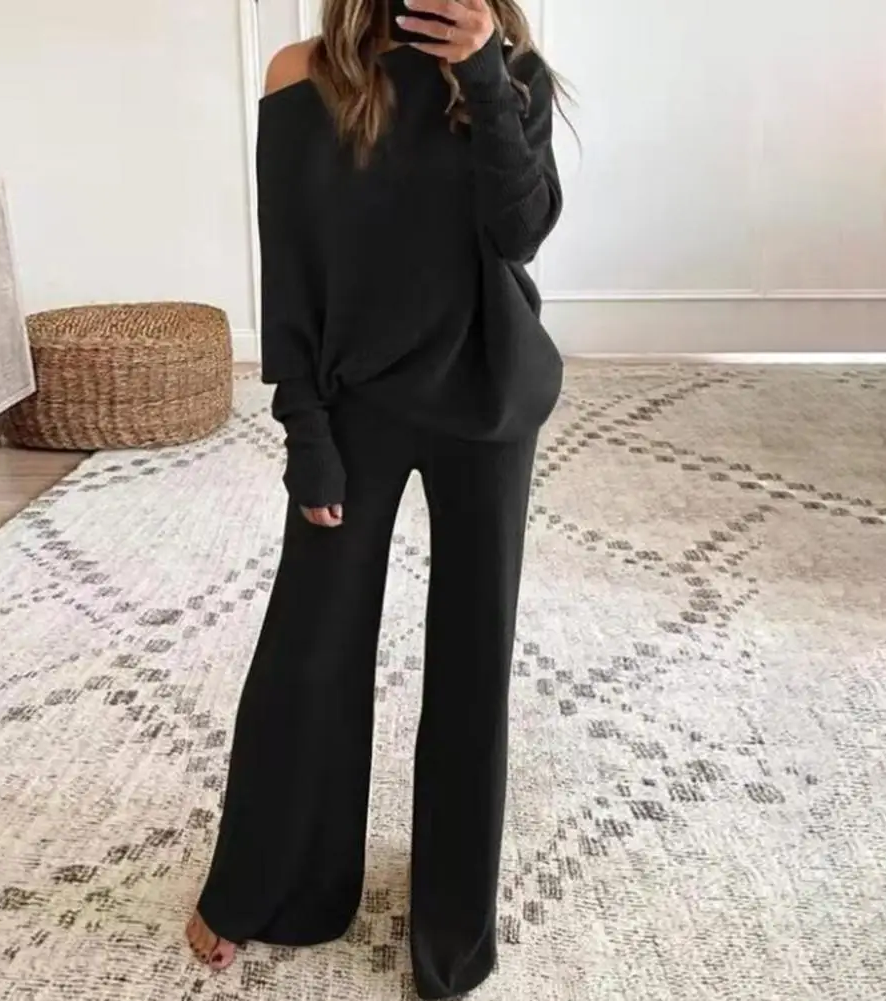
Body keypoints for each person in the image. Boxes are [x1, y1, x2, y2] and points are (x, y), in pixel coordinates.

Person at [186, 0, 567, 996]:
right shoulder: (301, 74)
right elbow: (291, 267)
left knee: (473, 663)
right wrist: (304, 432)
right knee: (309, 646)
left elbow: (520, 231)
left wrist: (483, 75)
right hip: (356, 400)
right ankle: (269, 885)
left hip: (488, 396)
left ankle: (452, 923)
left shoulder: (511, 71)